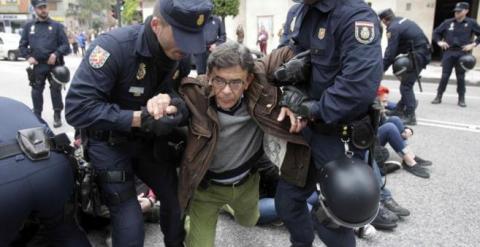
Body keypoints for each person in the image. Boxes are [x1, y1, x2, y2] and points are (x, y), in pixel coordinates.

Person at [64, 0, 213, 246]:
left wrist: (174, 104)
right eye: (182, 37)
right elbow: (77, 108)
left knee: (177, 202)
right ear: (156, 25)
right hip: (109, 144)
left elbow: (185, 97)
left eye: (192, 38)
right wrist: (138, 119)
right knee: (130, 222)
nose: (187, 48)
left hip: (149, 144)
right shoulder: (113, 48)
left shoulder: (181, 55)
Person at [177, 42, 310, 247]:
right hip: (206, 191)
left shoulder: (259, 85)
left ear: (248, 81)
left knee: (248, 221)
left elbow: (290, 51)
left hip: (246, 184)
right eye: (219, 81)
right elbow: (170, 93)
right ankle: (195, 218)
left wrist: (293, 96)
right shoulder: (194, 94)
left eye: (236, 82)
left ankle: (227, 207)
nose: (227, 91)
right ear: (209, 76)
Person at [274, 0, 383, 246]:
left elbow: (358, 86)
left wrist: (310, 109)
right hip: (305, 132)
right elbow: (290, 58)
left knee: (333, 219)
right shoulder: (300, 11)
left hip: (338, 135)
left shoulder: (355, 16)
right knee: (287, 202)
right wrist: (289, 94)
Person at [0, 96, 91, 246]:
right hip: (53, 168)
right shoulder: (13, 102)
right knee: (64, 229)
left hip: (7, 185)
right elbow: (47, 132)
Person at [19, 0, 71, 128]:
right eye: (40, 8)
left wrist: (56, 54)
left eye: (45, 7)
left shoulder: (57, 26)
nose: (43, 10)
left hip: (54, 65)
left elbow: (65, 45)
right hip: (38, 65)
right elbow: (22, 45)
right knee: (36, 91)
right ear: (35, 10)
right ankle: (37, 116)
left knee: (55, 90)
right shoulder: (29, 26)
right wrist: (28, 56)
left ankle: (57, 115)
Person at [378, 8, 431, 125]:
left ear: (384, 20)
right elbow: (400, 47)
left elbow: (391, 51)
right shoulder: (401, 21)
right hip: (422, 52)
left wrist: (382, 69)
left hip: (418, 54)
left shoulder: (393, 28)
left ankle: (410, 115)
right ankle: (399, 109)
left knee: (406, 86)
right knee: (407, 82)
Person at [376, 86, 432, 178]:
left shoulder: (379, 110)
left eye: (386, 101)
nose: (386, 105)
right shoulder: (367, 112)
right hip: (367, 145)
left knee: (395, 119)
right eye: (383, 102)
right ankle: (410, 162)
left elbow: (391, 109)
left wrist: (407, 130)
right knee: (389, 127)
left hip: (376, 139)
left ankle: (410, 155)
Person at [431, 2, 480, 107]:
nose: (456, 13)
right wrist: (439, 42)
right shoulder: (448, 22)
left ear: (466, 11)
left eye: (459, 11)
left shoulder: (471, 23)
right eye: (456, 11)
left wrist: (473, 44)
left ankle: (461, 99)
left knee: (461, 77)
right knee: (444, 76)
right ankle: (438, 96)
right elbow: (436, 33)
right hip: (449, 52)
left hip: (463, 53)